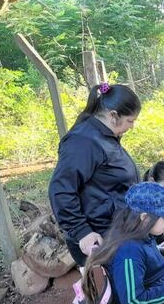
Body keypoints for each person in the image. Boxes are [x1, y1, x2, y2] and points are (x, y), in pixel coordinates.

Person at [49, 83, 142, 266]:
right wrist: (82, 231)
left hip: (117, 231)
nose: (132, 126)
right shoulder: (83, 141)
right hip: (99, 237)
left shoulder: (104, 136)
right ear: (113, 115)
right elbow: (61, 190)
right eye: (130, 120)